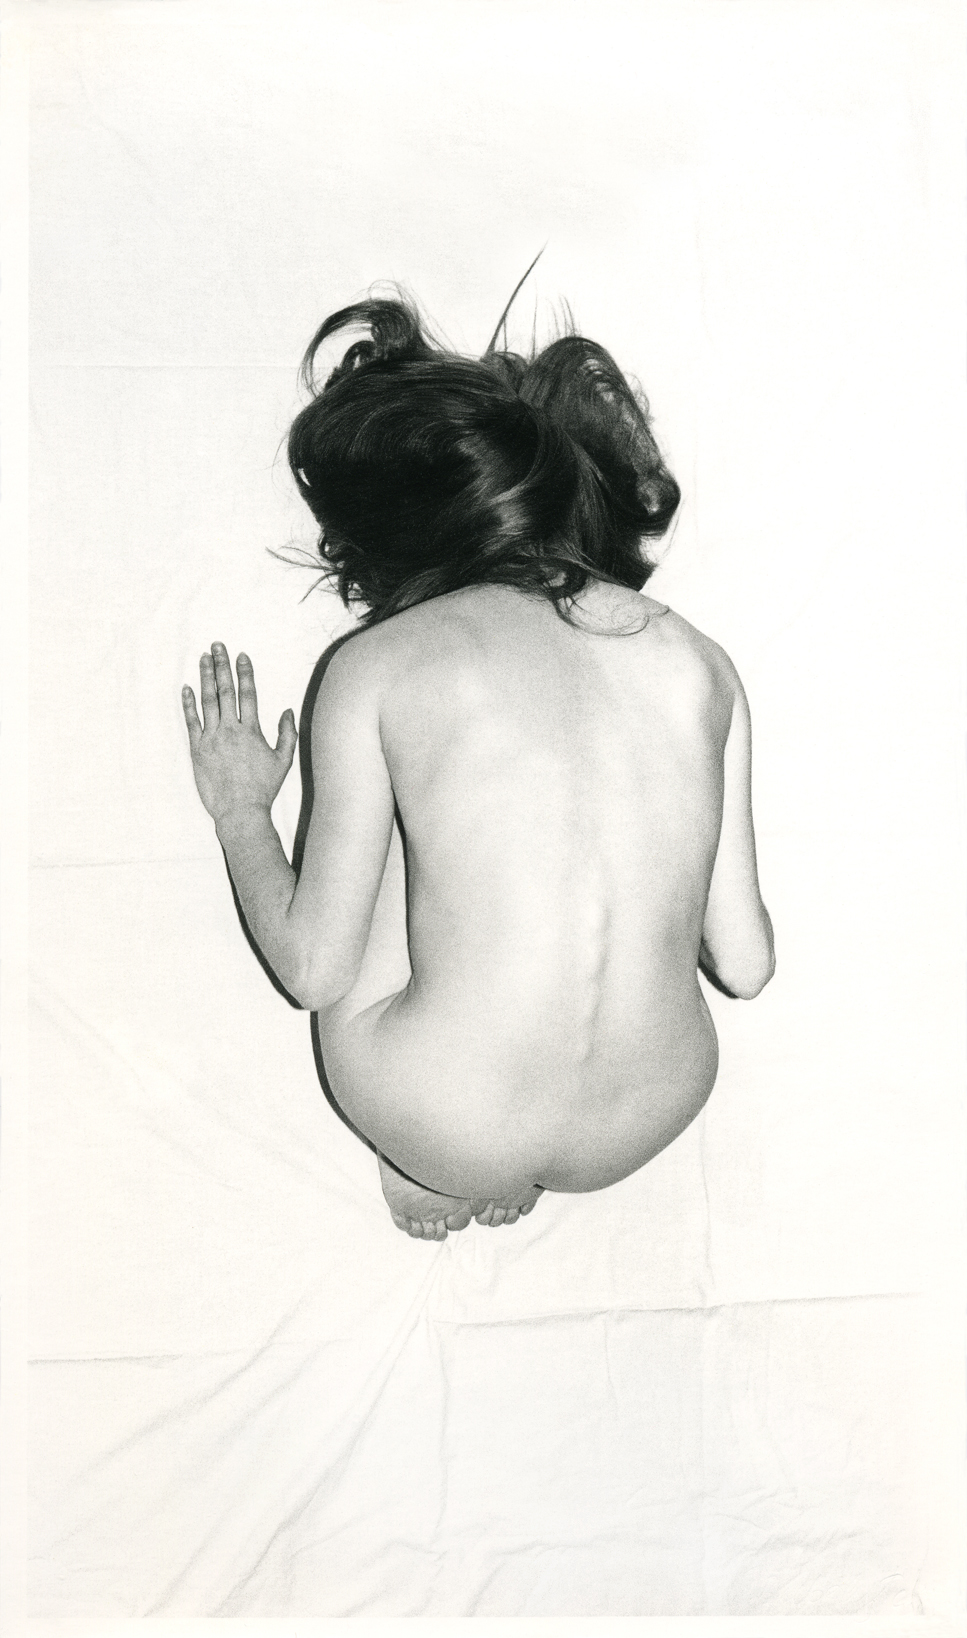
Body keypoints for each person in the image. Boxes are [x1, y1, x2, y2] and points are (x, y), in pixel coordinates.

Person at [182, 288, 775, 1241]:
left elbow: (314, 969)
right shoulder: (701, 661)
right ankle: (518, 1126)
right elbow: (744, 965)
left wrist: (241, 811)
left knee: (407, 815)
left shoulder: (381, 664)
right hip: (646, 1121)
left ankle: (445, 1151)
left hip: (442, 1117)